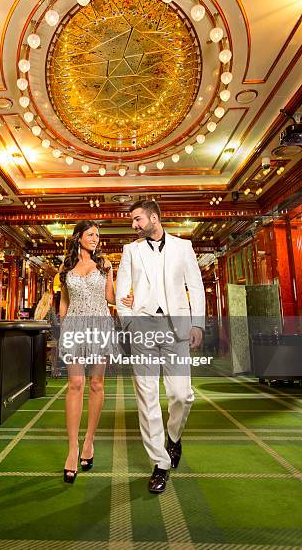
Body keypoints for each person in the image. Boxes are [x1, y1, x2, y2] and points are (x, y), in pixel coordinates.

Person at [116, 200, 205, 494]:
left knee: (182, 394)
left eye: (138, 219)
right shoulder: (131, 251)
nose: (134, 225)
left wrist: (198, 324)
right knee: (147, 396)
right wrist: (128, 323)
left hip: (176, 328)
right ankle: (160, 463)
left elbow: (196, 285)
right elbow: (121, 291)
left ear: (154, 218)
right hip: (142, 327)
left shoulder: (183, 247)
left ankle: (174, 436)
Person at [58, 220, 131, 483]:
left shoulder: (105, 265)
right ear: (78, 237)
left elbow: (111, 298)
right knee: (75, 383)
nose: (96, 238)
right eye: (90, 234)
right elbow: (64, 302)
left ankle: (89, 441)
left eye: (97, 235)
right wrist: (61, 333)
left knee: (96, 384)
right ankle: (73, 448)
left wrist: (127, 298)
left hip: (100, 325)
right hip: (74, 327)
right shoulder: (65, 268)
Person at [34, 291, 60, 377]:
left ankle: (40, 367)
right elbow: (55, 324)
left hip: (38, 336)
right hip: (47, 336)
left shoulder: (38, 309)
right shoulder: (51, 308)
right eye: (51, 298)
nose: (52, 300)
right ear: (49, 299)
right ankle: (54, 369)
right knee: (57, 345)